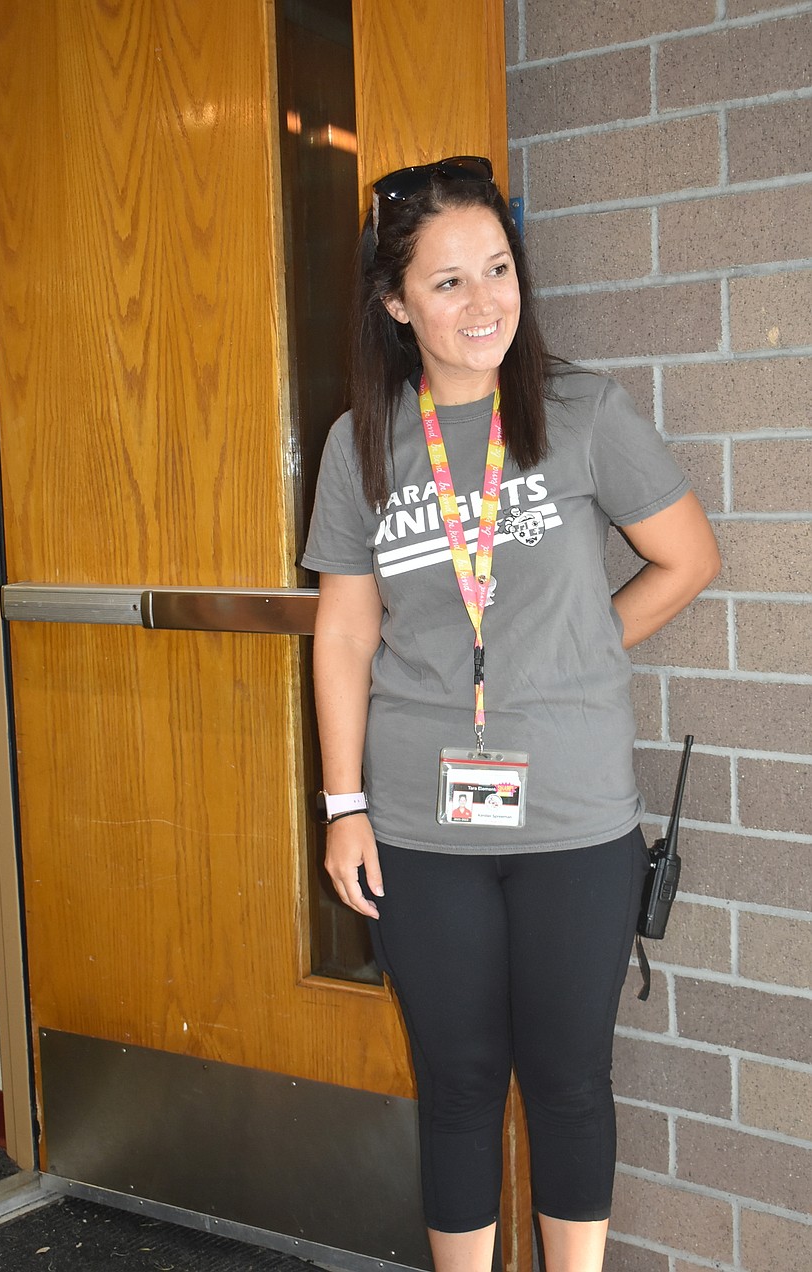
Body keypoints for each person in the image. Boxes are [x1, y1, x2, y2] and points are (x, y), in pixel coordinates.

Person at [302, 156, 720, 1272]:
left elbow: (686, 558)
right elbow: (343, 635)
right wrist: (343, 806)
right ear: (396, 303)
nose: (483, 301)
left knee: (570, 1082)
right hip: (417, 822)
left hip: (575, 816)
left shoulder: (582, 412)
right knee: (458, 1084)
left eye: (497, 268)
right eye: (447, 282)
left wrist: (573, 649)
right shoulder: (360, 442)